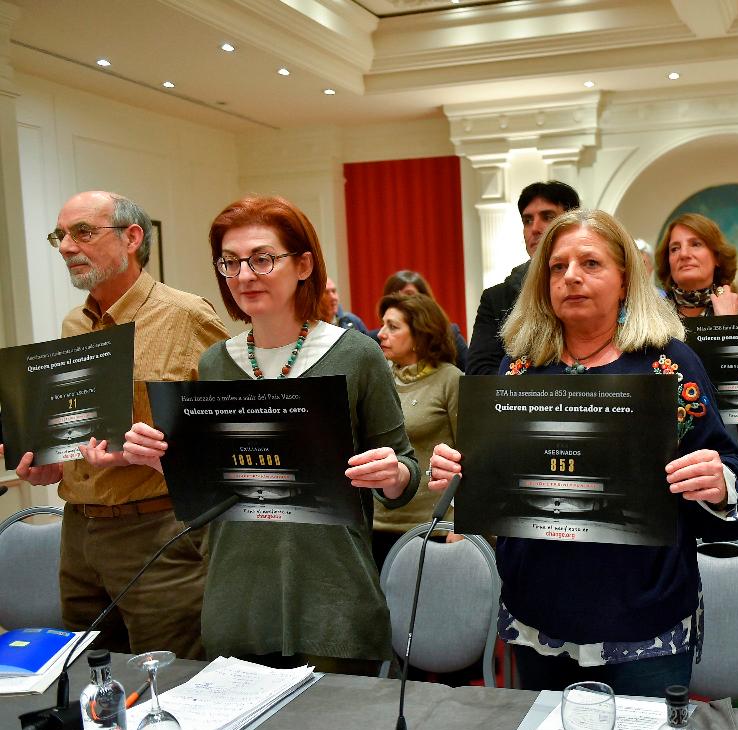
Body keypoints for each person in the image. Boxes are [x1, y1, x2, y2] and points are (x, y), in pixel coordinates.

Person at [429, 209, 738, 697]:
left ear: (625, 280)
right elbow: (500, 487)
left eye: (590, 263)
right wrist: (461, 473)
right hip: (539, 615)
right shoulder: (518, 369)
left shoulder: (668, 363)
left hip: (642, 621)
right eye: (558, 267)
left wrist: (718, 481)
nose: (571, 277)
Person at [112, 195, 419, 675]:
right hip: (238, 597)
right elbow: (215, 490)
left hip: (332, 598)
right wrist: (170, 463)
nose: (245, 275)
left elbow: (406, 475)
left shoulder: (356, 355)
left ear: (303, 265)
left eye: (262, 259)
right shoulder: (215, 362)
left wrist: (393, 473)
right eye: (231, 263)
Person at [3, 190, 228, 659]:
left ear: (131, 238)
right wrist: (51, 464)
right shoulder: (73, 325)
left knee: (167, 685)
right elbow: (77, 432)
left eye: (82, 232)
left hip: (157, 531)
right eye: (60, 236)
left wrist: (146, 454)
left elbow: (229, 431)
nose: (66, 246)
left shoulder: (186, 316)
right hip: (78, 534)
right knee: (92, 681)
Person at [655, 213, 738, 488]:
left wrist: (726, 328)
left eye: (695, 244)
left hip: (725, 453)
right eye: (674, 248)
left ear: (716, 257)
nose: (684, 254)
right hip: (663, 452)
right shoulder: (651, 323)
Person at [372, 291, 462, 568]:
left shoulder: (450, 379)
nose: (380, 334)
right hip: (377, 525)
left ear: (420, 334)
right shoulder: (379, 378)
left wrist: (463, 524)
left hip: (434, 526)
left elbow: (472, 458)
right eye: (383, 324)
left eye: (393, 327)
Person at [465, 180, 580, 375]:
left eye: (547, 217)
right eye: (527, 220)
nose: (535, 228)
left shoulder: (588, 286)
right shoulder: (497, 298)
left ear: (573, 223)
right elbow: (479, 374)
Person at [376, 270, 469, 371]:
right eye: (395, 295)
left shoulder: (450, 334)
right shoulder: (375, 341)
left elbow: (471, 372)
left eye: (409, 295)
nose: (402, 301)